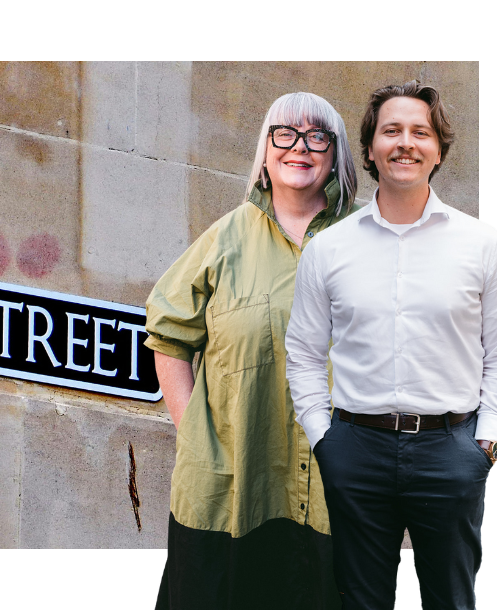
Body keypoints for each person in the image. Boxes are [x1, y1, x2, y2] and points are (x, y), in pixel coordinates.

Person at [285, 81, 497, 610]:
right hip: (355, 449)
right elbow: (302, 352)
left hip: (451, 450)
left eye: (421, 132)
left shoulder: (482, 246)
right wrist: (325, 441)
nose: (405, 143)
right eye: (391, 130)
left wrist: (486, 444)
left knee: (451, 601)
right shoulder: (328, 249)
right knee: (361, 602)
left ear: (438, 150)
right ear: (370, 147)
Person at [145, 92, 358, 609]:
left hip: (336, 499)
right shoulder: (226, 238)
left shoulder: (368, 239)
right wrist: (194, 430)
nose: (299, 147)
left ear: (336, 154)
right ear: (265, 151)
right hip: (230, 491)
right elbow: (167, 333)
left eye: (316, 136)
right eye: (283, 133)